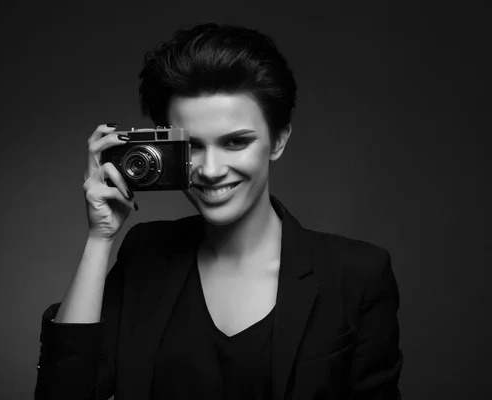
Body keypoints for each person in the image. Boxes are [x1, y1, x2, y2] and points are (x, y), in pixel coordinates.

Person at [34, 23, 403, 400]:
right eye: (191, 147)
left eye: (236, 142)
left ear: (278, 140)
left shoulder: (357, 275)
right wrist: (100, 238)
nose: (210, 170)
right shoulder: (144, 253)